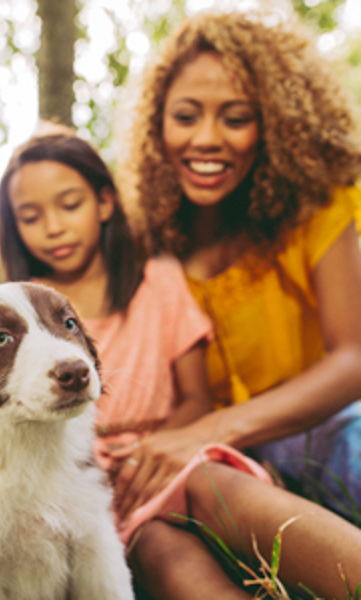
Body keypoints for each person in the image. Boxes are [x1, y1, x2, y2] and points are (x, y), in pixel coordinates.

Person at [0, 129, 361, 599]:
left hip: (172, 452)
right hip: (90, 485)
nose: (54, 226)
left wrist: (163, 444)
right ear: (14, 224)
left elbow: (196, 398)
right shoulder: (22, 313)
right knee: (165, 553)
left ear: (105, 202)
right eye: (31, 216)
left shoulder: (159, 281)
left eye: (70, 205)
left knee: (221, 486)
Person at [114, 8, 361, 599]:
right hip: (223, 468)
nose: (207, 139)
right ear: (157, 127)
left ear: (272, 124)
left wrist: (209, 428)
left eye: (236, 118)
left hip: (326, 428)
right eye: (186, 116)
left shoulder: (316, 205)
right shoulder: (147, 240)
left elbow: (354, 358)